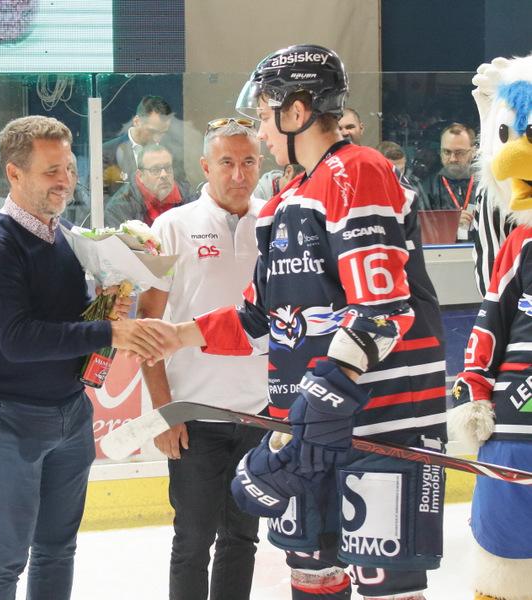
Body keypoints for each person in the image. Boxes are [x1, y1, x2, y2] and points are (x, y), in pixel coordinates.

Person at [144, 44, 447, 600]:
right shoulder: (286, 200)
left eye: (264, 115)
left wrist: (323, 395)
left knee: (387, 585)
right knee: (312, 573)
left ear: (297, 110)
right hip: (306, 429)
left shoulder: (358, 171)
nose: (260, 132)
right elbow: (261, 317)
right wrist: (179, 335)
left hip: (378, 425)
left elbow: (383, 310)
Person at [0, 115, 165, 600]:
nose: (66, 180)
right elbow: (18, 340)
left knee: (57, 548)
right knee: (6, 555)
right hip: (8, 416)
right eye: (51, 170)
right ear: (14, 174)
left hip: (71, 412)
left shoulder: (67, 235)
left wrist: (108, 302)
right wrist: (108, 329)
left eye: (69, 168)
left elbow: (64, 318)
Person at [137, 117, 268, 600]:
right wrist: (164, 412)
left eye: (248, 161)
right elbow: (148, 327)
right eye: (227, 162)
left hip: (260, 416)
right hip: (194, 417)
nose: (238, 174)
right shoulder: (171, 227)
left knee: (243, 538)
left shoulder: (275, 223)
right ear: (205, 166)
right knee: (192, 542)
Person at [105, 144, 191, 227]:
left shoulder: (189, 197)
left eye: (168, 168)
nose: (164, 174)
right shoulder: (118, 208)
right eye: (155, 170)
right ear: (140, 175)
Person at [103, 95, 172, 194]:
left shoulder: (170, 152)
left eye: (163, 132)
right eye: (153, 131)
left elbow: (183, 188)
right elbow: (98, 196)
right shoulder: (107, 152)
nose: (158, 139)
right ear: (137, 121)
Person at [421, 123, 478, 239]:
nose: (453, 159)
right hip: (443, 249)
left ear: (473, 152)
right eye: (447, 152)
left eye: (459, 153)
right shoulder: (427, 187)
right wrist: (451, 222)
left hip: (481, 248)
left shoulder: (485, 185)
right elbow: (423, 229)